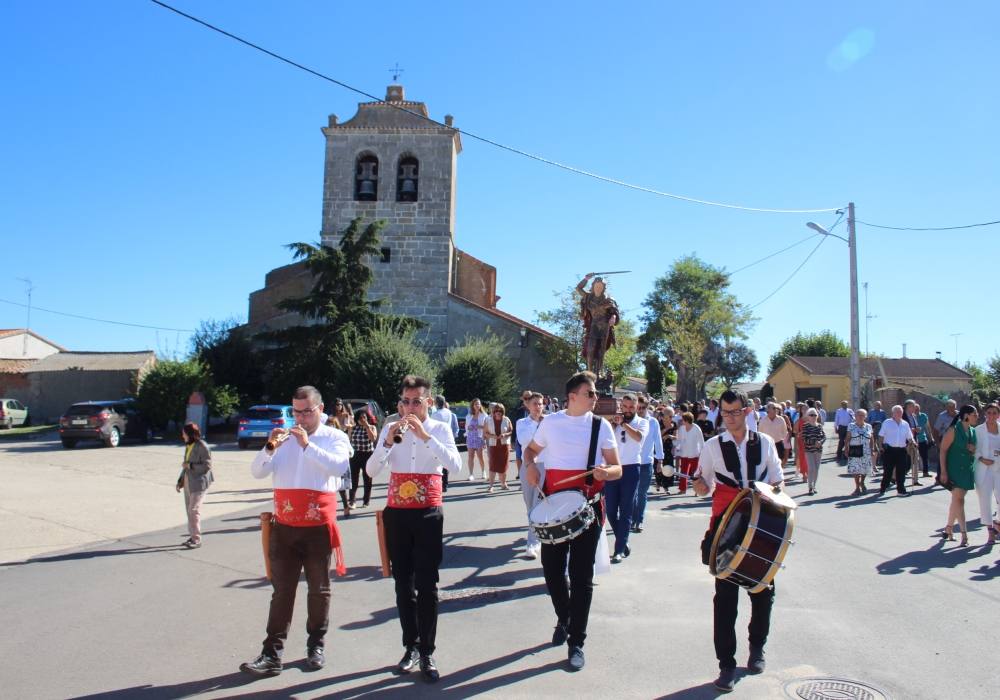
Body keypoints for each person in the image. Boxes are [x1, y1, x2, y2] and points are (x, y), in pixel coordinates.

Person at [241, 386, 352, 677]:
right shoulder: (284, 440)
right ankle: (271, 654)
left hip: (317, 528)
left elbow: (339, 467)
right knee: (282, 592)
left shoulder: (335, 437)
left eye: (306, 411)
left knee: (319, 590)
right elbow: (258, 472)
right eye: (296, 412)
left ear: (320, 408)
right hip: (286, 527)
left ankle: (316, 645)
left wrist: (307, 445)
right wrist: (268, 448)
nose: (300, 418)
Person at [522, 371, 622, 672]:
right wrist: (530, 467)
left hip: (588, 508)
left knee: (581, 577)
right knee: (552, 573)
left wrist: (607, 472)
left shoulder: (600, 426)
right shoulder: (551, 423)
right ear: (573, 396)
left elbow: (617, 467)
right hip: (554, 509)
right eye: (590, 393)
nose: (595, 397)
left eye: (594, 393)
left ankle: (577, 640)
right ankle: (565, 618)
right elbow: (531, 451)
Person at [366, 375, 462, 682]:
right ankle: (410, 645)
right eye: (405, 401)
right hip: (397, 512)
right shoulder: (389, 429)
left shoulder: (440, 428)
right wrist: (385, 441)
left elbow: (455, 466)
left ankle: (428, 650)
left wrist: (424, 437)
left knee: (427, 584)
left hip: (428, 513)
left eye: (416, 401)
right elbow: (371, 470)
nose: (409, 407)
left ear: (428, 403)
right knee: (402, 584)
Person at [692, 389, 784, 693]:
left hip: (759, 522)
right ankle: (726, 665)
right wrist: (699, 484)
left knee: (762, 589)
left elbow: (778, 479)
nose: (730, 418)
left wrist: (769, 493)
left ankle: (757, 647)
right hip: (727, 525)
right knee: (726, 596)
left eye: (735, 412)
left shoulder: (766, 443)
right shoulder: (712, 446)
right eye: (725, 412)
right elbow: (703, 487)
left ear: (746, 412)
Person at [605, 394, 648, 562]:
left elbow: (638, 438)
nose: (628, 410)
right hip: (613, 467)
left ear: (637, 407)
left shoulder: (642, 422)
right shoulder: (614, 422)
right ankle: (622, 540)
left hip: (631, 469)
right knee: (609, 510)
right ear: (621, 406)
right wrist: (613, 424)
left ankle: (619, 549)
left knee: (626, 510)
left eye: (632, 407)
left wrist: (623, 424)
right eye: (626, 406)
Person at [938, 404, 978, 546]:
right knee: (960, 500)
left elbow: (974, 451)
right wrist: (943, 471)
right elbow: (943, 450)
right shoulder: (953, 430)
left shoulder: (973, 431)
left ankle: (949, 527)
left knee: (956, 500)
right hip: (954, 469)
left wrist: (973, 450)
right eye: (974, 414)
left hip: (967, 469)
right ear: (966, 416)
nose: (977, 417)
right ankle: (964, 534)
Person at [516, 392, 546, 559]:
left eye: (541, 404)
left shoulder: (548, 422)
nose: (538, 407)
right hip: (528, 466)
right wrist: (538, 425)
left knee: (537, 505)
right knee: (529, 505)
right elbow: (524, 440)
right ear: (528, 405)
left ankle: (532, 543)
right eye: (535, 403)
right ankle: (536, 533)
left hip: (544, 466)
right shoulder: (522, 423)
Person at [176, 421, 212, 549]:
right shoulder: (188, 445)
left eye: (184, 434)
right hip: (188, 481)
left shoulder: (202, 446)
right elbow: (186, 464)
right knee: (189, 510)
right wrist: (180, 480)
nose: (183, 436)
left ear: (190, 434)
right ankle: (192, 536)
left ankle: (197, 539)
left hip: (199, 483)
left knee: (193, 510)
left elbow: (207, 466)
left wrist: (190, 466)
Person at [576, 273, 620, 377]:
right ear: (593, 286)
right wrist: (586, 278)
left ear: (604, 287)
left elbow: (615, 312)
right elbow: (578, 288)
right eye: (596, 286)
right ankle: (589, 372)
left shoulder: (609, 299)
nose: (598, 288)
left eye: (601, 286)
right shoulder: (588, 297)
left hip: (604, 326)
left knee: (601, 350)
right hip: (593, 326)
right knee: (590, 348)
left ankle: (599, 371)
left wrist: (613, 317)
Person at [632, 395, 664, 533]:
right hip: (631, 462)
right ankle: (631, 518)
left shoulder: (653, 422)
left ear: (647, 408)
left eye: (643, 408)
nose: (640, 410)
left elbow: (658, 441)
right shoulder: (631, 421)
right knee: (632, 494)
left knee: (642, 493)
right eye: (638, 408)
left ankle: (639, 520)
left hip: (646, 462)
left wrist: (660, 460)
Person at [973, 404, 1000, 545]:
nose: (991, 415)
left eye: (994, 413)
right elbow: (973, 449)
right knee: (985, 500)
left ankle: (997, 524)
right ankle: (990, 531)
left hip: (999, 468)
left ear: (998, 414)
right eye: (988, 413)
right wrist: (982, 458)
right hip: (984, 469)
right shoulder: (978, 430)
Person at [878, 405, 915, 497]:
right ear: (893, 413)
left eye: (901, 412)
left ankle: (901, 490)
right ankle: (883, 487)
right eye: (897, 412)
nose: (899, 413)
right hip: (889, 450)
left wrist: (913, 442)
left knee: (901, 471)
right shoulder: (887, 422)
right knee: (888, 471)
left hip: (901, 450)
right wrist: (880, 446)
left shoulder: (905, 424)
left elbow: (909, 436)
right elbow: (881, 435)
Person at [326, 412, 354, 516]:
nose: (330, 426)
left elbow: (350, 450)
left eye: (332, 424)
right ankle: (330, 509)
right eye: (328, 424)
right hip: (328, 465)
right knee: (329, 488)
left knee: (342, 489)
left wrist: (348, 453)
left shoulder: (342, 435)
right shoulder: (323, 436)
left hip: (340, 464)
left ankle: (346, 507)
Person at [429, 396, 458, 492]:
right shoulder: (448, 412)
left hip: (438, 438)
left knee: (438, 461)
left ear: (436, 403)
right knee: (445, 461)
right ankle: (445, 484)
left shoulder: (435, 414)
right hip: (447, 437)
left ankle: (440, 483)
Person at [348, 408, 376, 508]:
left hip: (367, 455)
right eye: (360, 418)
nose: (362, 419)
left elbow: (373, 439)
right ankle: (352, 501)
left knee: (367, 478)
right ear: (357, 419)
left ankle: (366, 500)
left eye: (364, 417)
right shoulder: (353, 427)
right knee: (353, 479)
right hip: (355, 455)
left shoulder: (371, 427)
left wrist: (367, 426)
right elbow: (349, 440)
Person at [484, 403, 513, 492]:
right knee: (493, 465)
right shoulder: (488, 420)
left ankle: (503, 484)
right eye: (496, 410)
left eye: (500, 411)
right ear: (493, 411)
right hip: (493, 445)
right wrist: (493, 436)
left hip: (504, 446)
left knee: (503, 466)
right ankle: (491, 486)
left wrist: (505, 434)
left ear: (502, 411)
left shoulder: (506, 419)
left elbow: (511, 431)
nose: (498, 412)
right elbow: (485, 433)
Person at [846, 409, 875, 495]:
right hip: (855, 448)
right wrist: (846, 448)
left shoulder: (869, 426)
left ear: (865, 417)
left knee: (864, 468)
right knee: (856, 469)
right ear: (855, 416)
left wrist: (872, 448)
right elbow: (847, 438)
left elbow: (872, 438)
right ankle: (857, 487)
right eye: (858, 415)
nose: (860, 417)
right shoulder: (851, 426)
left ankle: (862, 482)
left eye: (862, 415)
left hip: (866, 449)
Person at [675, 412, 705, 494]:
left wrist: (702, 453)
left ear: (686, 420)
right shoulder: (681, 428)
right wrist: (677, 448)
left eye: (683, 420)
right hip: (684, 453)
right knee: (683, 472)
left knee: (695, 473)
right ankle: (682, 489)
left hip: (694, 454)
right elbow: (679, 440)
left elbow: (701, 442)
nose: (681, 421)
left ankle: (697, 490)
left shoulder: (696, 428)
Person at [906, 401, 934, 480]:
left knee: (924, 456)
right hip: (913, 439)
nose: (916, 410)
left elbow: (928, 427)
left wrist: (931, 437)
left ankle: (925, 472)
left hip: (922, 438)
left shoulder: (924, 416)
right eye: (915, 409)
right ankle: (906, 470)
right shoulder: (911, 417)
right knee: (910, 456)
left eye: (918, 409)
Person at [801, 409, 826, 496]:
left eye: (815, 415)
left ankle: (814, 486)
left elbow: (824, 436)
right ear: (808, 416)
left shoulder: (819, 426)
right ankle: (810, 487)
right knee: (811, 468)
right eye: (811, 415)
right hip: (809, 450)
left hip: (818, 450)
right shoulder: (805, 426)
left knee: (816, 469)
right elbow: (803, 438)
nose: (813, 417)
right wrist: (813, 442)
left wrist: (820, 442)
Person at [758, 403, 788, 469]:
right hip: (767, 445)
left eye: (776, 408)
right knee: (768, 462)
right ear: (768, 410)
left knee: (780, 460)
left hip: (778, 443)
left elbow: (784, 432)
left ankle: (778, 475)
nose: (776, 410)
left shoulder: (781, 419)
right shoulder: (763, 421)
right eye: (774, 408)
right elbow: (760, 434)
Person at [464, 398, 488, 480]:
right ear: (473, 406)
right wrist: (468, 429)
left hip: (479, 437)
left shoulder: (484, 415)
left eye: (478, 404)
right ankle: (471, 474)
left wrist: (479, 427)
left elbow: (487, 427)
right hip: (470, 437)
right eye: (475, 404)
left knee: (480, 456)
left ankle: (483, 471)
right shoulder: (469, 416)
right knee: (470, 456)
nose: (477, 405)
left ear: (480, 405)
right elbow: (466, 427)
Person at [512, 390, 532, 469]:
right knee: (519, 455)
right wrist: (513, 439)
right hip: (520, 437)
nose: (527, 400)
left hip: (534, 437)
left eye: (529, 398)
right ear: (522, 399)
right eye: (525, 398)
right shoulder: (518, 410)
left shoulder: (536, 408)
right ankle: (521, 473)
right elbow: (514, 424)